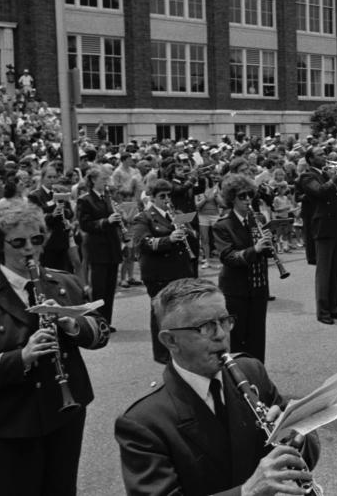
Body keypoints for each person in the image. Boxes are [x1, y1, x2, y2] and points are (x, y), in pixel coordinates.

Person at [0, 202, 110, 496]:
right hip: (7, 424)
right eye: (19, 242)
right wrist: (21, 357)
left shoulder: (62, 282)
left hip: (62, 415)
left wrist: (73, 326)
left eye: (37, 240)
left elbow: (101, 334)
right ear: (0, 245)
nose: (30, 249)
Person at [115, 278, 319, 496]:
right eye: (205, 327)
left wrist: (299, 437)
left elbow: (300, 455)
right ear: (170, 341)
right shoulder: (144, 422)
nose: (221, 334)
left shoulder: (251, 372)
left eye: (224, 320)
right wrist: (247, 492)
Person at [131, 180, 197, 364]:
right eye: (162, 196)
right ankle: (162, 355)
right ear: (152, 198)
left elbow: (194, 235)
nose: (167, 199)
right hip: (158, 274)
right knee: (161, 313)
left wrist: (187, 232)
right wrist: (169, 239)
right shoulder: (143, 217)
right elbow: (142, 243)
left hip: (179, 270)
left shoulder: (176, 214)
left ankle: (179, 349)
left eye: (169, 195)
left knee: (180, 312)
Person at [210, 174, 272, 363]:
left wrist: (270, 246)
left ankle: (258, 379)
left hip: (258, 288)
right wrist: (256, 249)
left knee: (257, 338)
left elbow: (264, 254)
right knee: (237, 340)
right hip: (236, 291)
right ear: (232, 199)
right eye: (242, 196)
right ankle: (238, 384)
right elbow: (229, 257)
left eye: (249, 196)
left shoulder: (258, 219)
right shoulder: (223, 226)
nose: (247, 200)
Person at [296, 147, 337, 325]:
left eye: (323, 154)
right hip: (322, 228)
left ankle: (335, 307)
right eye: (319, 155)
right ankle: (323, 310)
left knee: (336, 271)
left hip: (336, 226)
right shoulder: (307, 176)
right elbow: (320, 191)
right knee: (324, 272)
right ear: (310, 159)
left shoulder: (327, 174)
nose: (324, 156)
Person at [77, 167, 124, 330]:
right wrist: (106, 221)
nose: (106, 182)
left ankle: (106, 321)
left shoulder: (107, 198)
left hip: (112, 246)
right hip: (98, 248)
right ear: (93, 180)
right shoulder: (85, 200)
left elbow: (113, 219)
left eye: (106, 179)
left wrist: (120, 217)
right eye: (103, 179)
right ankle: (96, 323)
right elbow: (85, 224)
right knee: (98, 288)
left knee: (110, 287)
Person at [27, 165, 76, 273]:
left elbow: (70, 213)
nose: (52, 180)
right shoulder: (35, 195)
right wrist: (52, 215)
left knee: (64, 272)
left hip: (62, 238)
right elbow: (34, 218)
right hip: (46, 241)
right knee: (48, 272)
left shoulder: (59, 192)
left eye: (54, 177)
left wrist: (64, 212)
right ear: (43, 178)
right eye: (49, 177)